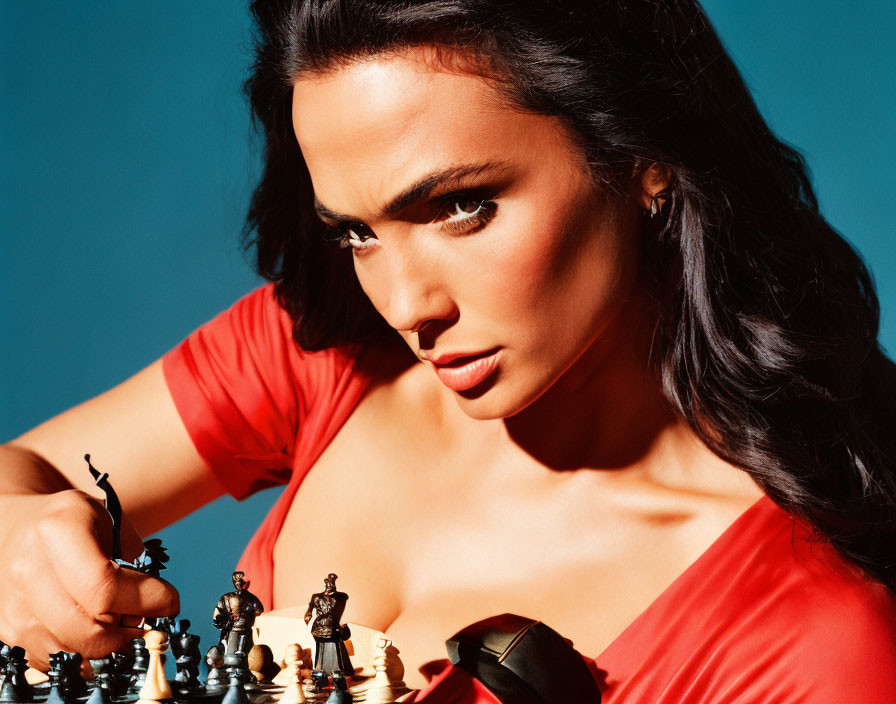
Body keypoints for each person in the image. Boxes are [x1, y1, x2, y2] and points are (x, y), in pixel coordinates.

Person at [1, 0, 895, 701]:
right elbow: (24, 468)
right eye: (357, 233)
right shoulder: (319, 360)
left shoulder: (803, 637)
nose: (405, 305)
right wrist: (17, 542)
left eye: (462, 206)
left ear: (644, 156)